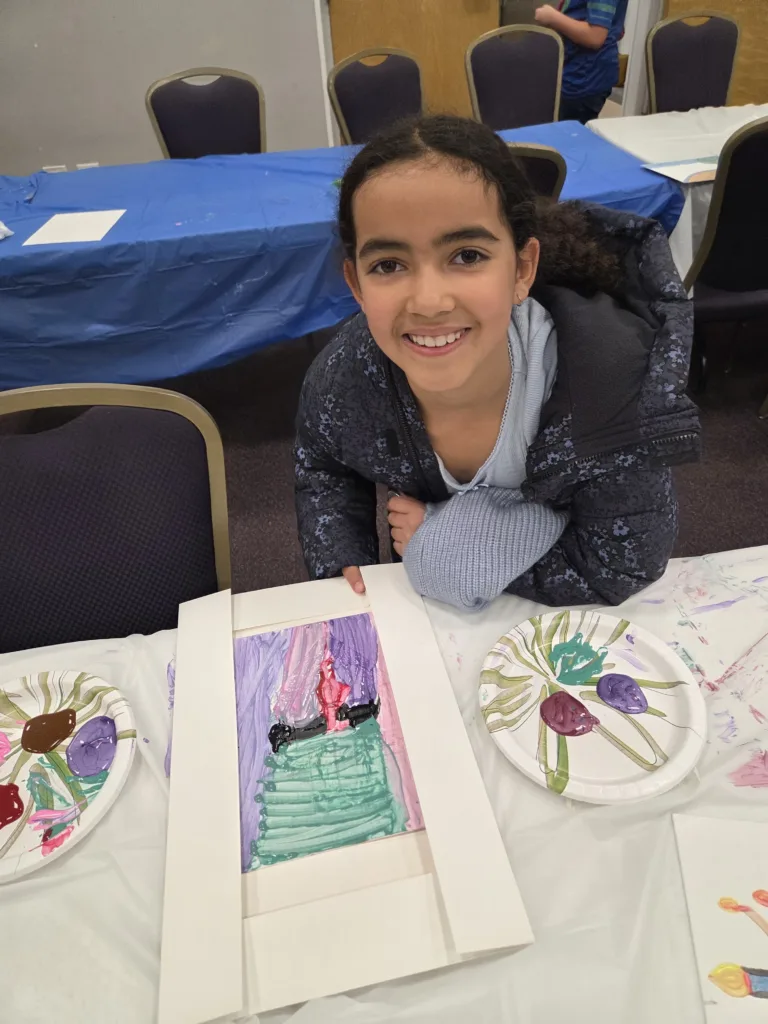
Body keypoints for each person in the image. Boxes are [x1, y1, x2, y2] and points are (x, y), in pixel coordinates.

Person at [294, 114, 699, 612]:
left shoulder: (612, 389)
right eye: (388, 265)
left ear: (522, 270)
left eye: (467, 256)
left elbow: (619, 566)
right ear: (356, 286)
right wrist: (340, 555)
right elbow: (323, 462)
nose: (429, 302)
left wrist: (447, 547)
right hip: (432, 616)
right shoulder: (344, 378)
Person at [535, 1, 629, 124]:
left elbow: (595, 36)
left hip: (583, 76)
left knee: (568, 132)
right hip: (579, 70)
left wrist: (552, 17)